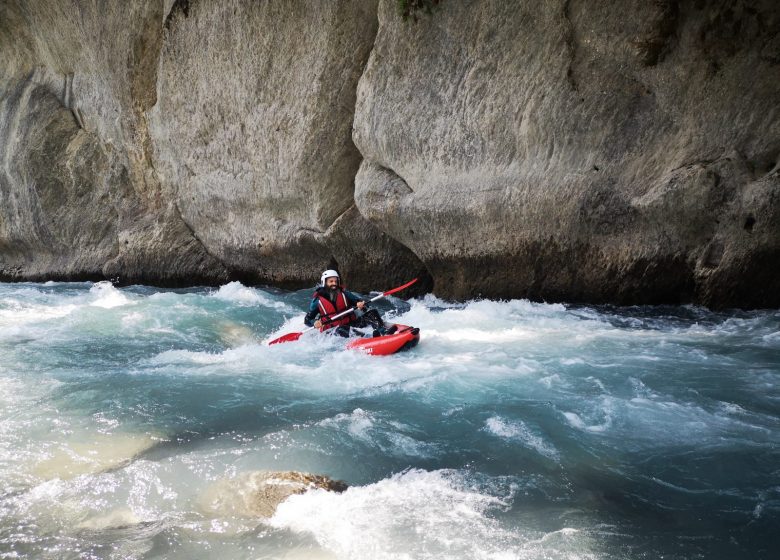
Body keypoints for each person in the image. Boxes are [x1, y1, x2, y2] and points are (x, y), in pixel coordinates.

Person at [304, 269, 397, 337]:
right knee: (341, 329)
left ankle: (383, 331)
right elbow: (307, 320)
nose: (334, 284)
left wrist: (361, 305)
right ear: (324, 283)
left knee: (373, 312)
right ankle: (368, 338)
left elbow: (361, 303)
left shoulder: (344, 293)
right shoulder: (317, 301)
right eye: (331, 281)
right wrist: (315, 323)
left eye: (336, 281)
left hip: (351, 323)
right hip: (332, 331)